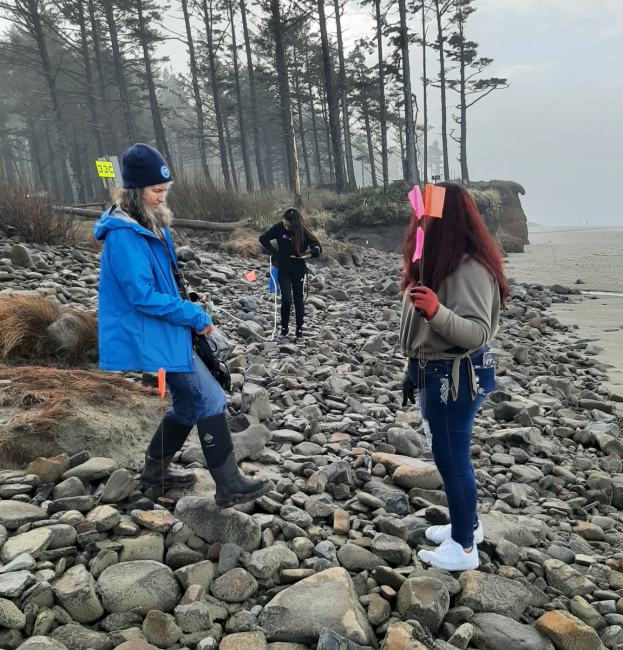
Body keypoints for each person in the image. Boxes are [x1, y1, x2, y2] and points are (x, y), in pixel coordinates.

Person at [94, 143, 271, 508]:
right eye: (156, 191)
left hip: (164, 330)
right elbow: (140, 295)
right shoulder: (124, 233)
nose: (162, 197)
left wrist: (189, 304)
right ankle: (229, 484)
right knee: (210, 397)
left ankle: (154, 476)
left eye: (164, 191)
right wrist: (192, 315)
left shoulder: (152, 224)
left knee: (189, 407)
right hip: (150, 336)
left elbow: (166, 283)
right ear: (134, 190)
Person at [399, 182, 508, 571]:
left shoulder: (469, 266)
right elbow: (422, 331)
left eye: (426, 214)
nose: (419, 221)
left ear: (446, 218)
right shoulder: (436, 260)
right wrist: (412, 371)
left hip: (454, 378)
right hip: (435, 372)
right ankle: (468, 526)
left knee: (451, 460)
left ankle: (463, 548)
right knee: (451, 457)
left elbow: (478, 333)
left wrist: (435, 311)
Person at [259, 208, 322, 345]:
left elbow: (316, 244)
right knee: (286, 300)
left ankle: (299, 331)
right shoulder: (278, 228)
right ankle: (284, 329)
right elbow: (262, 238)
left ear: (295, 224)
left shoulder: (302, 230)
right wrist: (274, 252)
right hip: (283, 268)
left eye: (289, 226)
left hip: (298, 268)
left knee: (298, 300)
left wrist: (316, 250)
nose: (286, 227)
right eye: (285, 224)